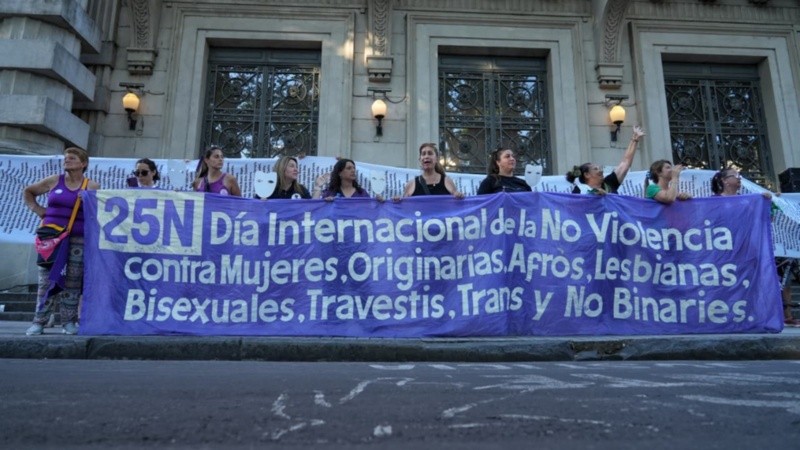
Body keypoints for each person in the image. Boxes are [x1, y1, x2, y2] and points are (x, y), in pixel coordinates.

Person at [22, 147, 100, 335]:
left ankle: (69, 322)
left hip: (78, 239)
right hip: (51, 238)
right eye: (66, 158)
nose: (67, 161)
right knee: (46, 279)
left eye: (72, 158)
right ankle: (39, 322)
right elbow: (29, 191)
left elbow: (98, 214)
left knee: (73, 280)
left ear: (83, 163)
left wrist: (88, 201)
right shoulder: (54, 180)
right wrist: (38, 209)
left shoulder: (91, 186)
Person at [711, 168, 795, 326]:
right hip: (723, 252)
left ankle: (748, 317)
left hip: (746, 251)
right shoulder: (713, 201)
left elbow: (767, 219)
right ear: (724, 181)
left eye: (739, 176)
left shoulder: (747, 201)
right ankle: (722, 317)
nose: (739, 178)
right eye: (735, 176)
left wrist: (769, 203)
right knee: (725, 284)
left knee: (747, 284)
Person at [566, 125, 645, 194]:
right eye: (596, 169)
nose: (601, 171)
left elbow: (625, 163)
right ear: (587, 175)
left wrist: (635, 139)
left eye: (599, 168)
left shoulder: (609, 183)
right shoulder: (579, 190)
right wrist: (595, 196)